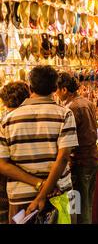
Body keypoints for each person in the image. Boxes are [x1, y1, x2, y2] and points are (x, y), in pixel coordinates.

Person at [0, 66, 79, 223]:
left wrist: (38, 184)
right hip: (60, 192)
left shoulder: (8, 119)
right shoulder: (65, 114)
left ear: (30, 87)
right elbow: (63, 158)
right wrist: (43, 194)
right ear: (55, 88)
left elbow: (2, 164)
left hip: (21, 196)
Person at [56, 72, 98, 224]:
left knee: (79, 206)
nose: (56, 93)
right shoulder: (87, 102)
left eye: (57, 89)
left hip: (80, 162)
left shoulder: (72, 108)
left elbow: (70, 141)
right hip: (92, 159)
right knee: (86, 203)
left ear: (64, 90)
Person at [0, 81, 30, 224]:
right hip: (47, 189)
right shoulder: (47, 116)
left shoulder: (5, 123)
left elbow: (3, 164)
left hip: (17, 192)